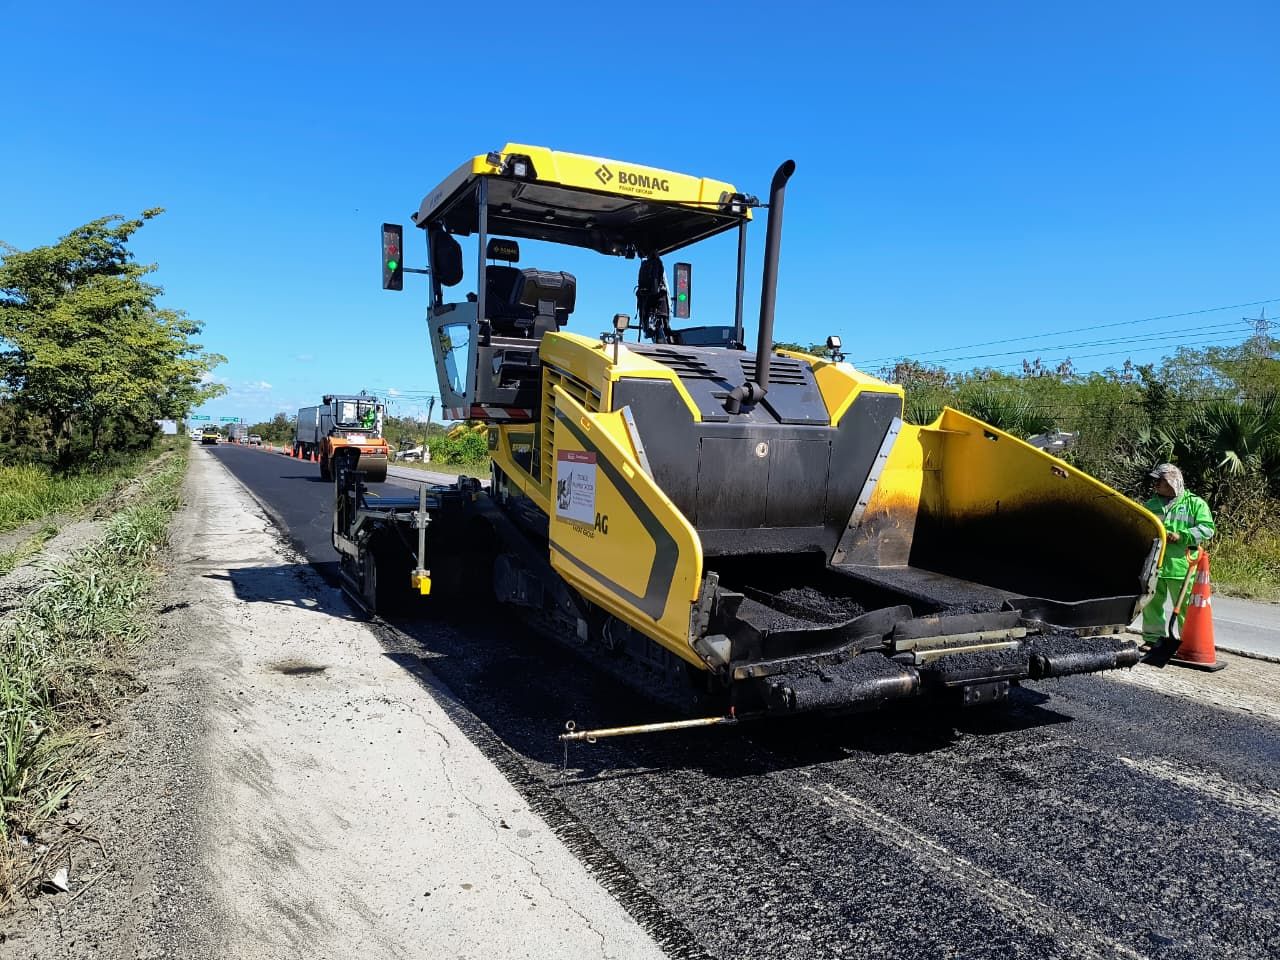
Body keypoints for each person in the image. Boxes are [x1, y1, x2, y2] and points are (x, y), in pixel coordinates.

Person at [1141, 463, 1215, 645]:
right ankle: (1152, 639)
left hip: (1182, 566)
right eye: (1155, 481)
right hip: (1155, 565)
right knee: (1151, 605)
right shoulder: (1151, 504)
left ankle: (1187, 642)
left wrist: (1183, 536)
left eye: (1161, 481)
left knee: (1185, 607)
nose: (1156, 485)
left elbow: (1207, 529)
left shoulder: (1195, 504)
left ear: (1173, 482)